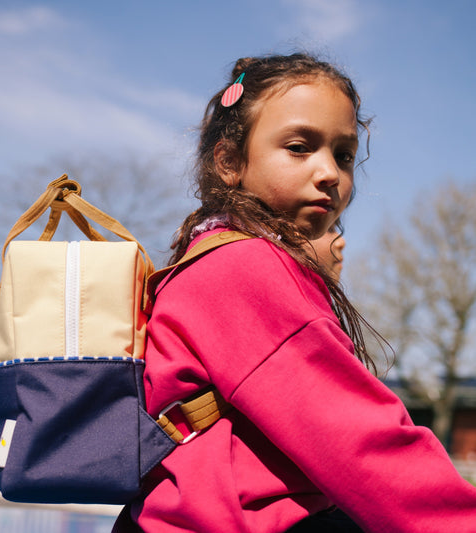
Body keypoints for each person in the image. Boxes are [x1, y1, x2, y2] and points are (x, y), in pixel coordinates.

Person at [113, 53, 476, 532]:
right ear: (228, 161)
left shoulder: (212, 256)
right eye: (300, 147)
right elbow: (355, 436)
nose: (330, 173)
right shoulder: (245, 269)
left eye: (344, 155)